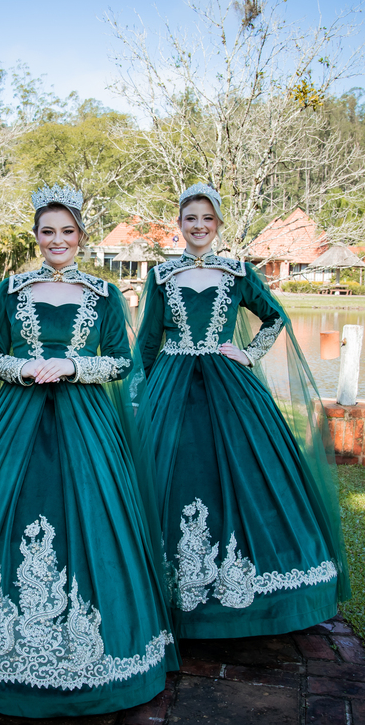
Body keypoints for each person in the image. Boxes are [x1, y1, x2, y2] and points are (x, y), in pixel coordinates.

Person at [0, 186, 177, 718]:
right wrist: (25, 368)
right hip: (17, 420)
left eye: (67, 232)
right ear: (36, 236)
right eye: (48, 232)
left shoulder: (104, 294)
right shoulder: (11, 290)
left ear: (81, 236)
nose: (58, 241)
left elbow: (122, 362)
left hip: (86, 423)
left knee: (95, 517)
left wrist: (74, 367)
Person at [136, 183, 350, 639]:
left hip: (229, 385)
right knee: (167, 474)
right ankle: (169, 590)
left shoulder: (237, 272)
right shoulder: (160, 277)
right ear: (179, 224)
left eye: (207, 219)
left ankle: (257, 594)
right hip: (170, 388)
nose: (199, 226)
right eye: (190, 218)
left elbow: (275, 318)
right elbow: (147, 344)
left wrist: (249, 354)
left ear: (217, 225)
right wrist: (143, 397)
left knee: (248, 472)